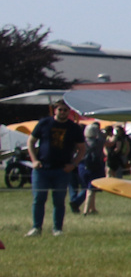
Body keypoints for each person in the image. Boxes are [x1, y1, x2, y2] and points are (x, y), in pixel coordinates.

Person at [26, 101, 86, 237]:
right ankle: (36, 228)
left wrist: (74, 164)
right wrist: (34, 160)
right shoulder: (44, 123)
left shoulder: (74, 128)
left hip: (62, 170)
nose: (63, 112)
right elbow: (30, 141)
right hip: (42, 169)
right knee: (39, 199)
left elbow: (82, 148)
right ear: (55, 110)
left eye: (65, 110)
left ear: (69, 112)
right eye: (60, 110)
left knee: (59, 201)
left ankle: (57, 229)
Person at [79, 122, 105, 215]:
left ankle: (92, 208)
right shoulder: (99, 142)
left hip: (83, 166)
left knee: (89, 188)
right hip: (95, 166)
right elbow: (103, 137)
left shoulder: (83, 142)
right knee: (91, 189)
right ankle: (86, 211)